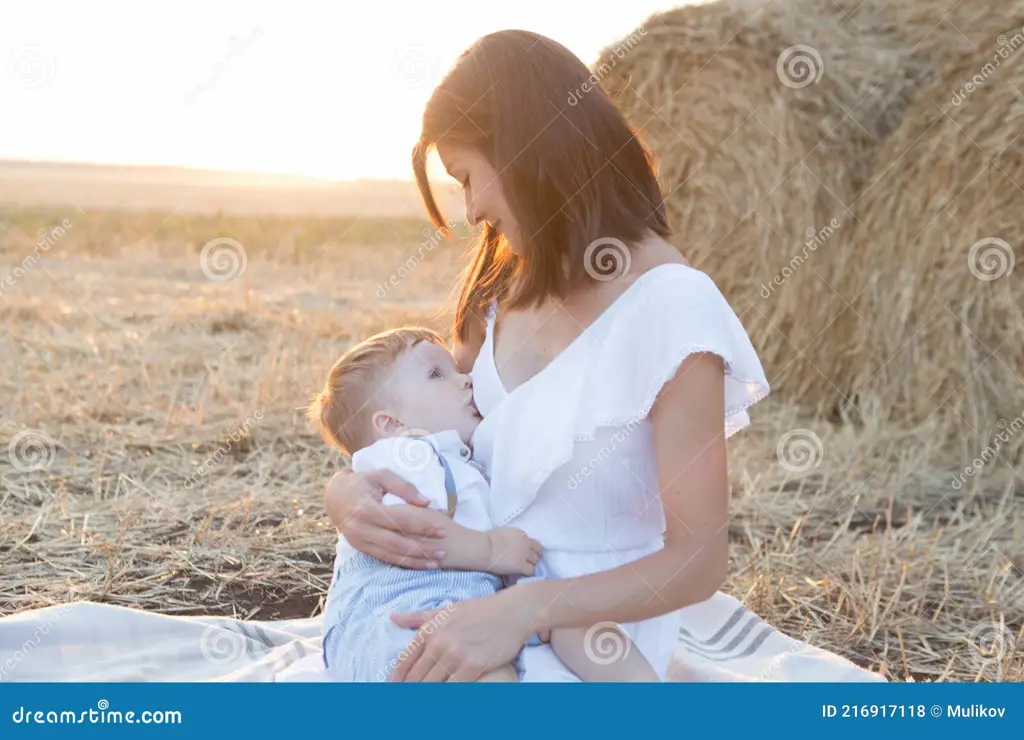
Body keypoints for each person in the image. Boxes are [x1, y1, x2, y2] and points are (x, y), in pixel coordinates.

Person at [323, 29, 771, 682]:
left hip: (595, 641)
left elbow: (698, 560)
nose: (472, 210)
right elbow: (436, 437)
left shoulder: (674, 308)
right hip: (469, 596)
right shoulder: (496, 291)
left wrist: (528, 609)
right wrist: (347, 493)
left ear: (527, 150)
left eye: (469, 178)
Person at [308, 326, 659, 681]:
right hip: (395, 619)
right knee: (482, 672)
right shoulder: (403, 454)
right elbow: (410, 533)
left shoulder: (457, 461)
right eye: (436, 374)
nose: (465, 381)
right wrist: (489, 550)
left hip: (459, 607)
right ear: (391, 423)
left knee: (567, 618)